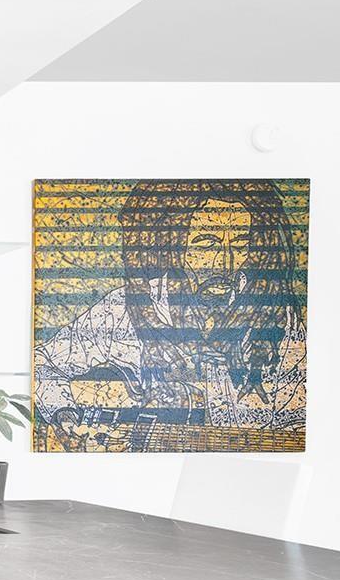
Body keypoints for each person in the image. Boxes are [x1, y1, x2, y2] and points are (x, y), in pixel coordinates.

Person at [33, 179, 306, 452]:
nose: (226, 263)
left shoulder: (274, 316)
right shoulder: (125, 308)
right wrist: (64, 415)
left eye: (240, 243)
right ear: (176, 246)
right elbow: (42, 363)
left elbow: (297, 422)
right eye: (207, 244)